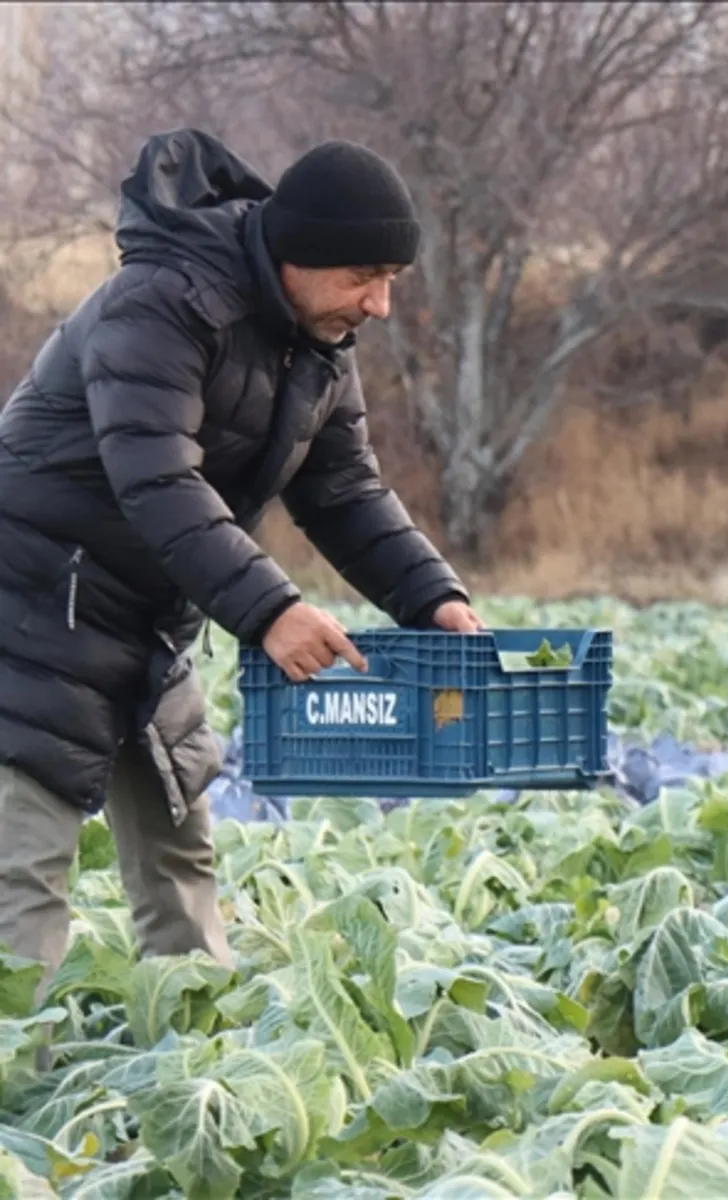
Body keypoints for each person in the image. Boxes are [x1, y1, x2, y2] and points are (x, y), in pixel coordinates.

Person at [0, 128, 484, 995]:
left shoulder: (317, 343)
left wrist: (431, 596)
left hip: (149, 612)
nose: (379, 306)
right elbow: (156, 481)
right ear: (297, 258)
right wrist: (269, 611)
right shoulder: (158, 306)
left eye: (390, 282)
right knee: (23, 866)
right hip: (30, 601)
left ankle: (195, 1065)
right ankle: (13, 1097)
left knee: (180, 844)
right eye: (363, 279)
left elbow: (343, 492)